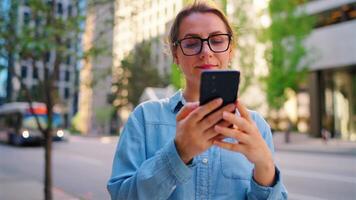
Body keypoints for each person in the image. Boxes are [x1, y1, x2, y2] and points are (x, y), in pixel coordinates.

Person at [107, 1, 288, 199]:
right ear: (175, 54)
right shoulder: (144, 118)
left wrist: (265, 167)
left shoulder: (256, 127)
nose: (206, 52)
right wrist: (178, 153)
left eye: (217, 40)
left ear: (231, 50)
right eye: (192, 43)